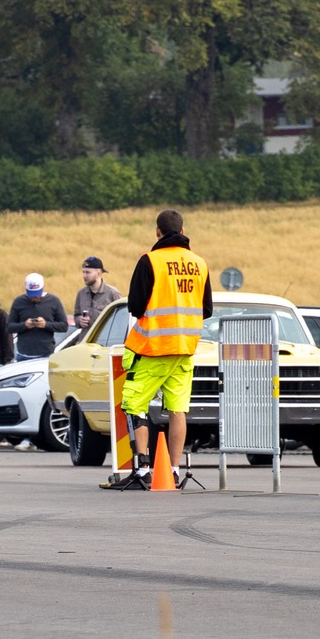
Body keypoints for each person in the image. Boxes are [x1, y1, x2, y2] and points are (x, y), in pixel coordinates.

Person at [108, 209, 212, 490]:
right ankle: (173, 471)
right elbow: (206, 309)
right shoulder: (199, 264)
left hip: (153, 348)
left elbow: (135, 306)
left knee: (134, 405)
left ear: (158, 231)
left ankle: (142, 470)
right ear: (182, 230)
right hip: (185, 349)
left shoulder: (150, 261)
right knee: (178, 409)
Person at [8, 274, 68, 360]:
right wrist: (25, 325)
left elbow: (64, 326)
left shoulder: (54, 301)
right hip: (23, 354)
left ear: (43, 287)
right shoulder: (19, 301)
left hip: (46, 354)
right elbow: (9, 327)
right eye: (31, 295)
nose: (34, 297)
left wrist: (46, 325)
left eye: (37, 294)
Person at [74, 257, 119, 332]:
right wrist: (79, 320)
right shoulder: (81, 294)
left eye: (88, 272)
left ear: (99, 273)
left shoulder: (112, 293)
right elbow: (76, 315)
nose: (84, 275)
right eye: (83, 272)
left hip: (105, 338)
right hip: (85, 338)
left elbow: (121, 319)